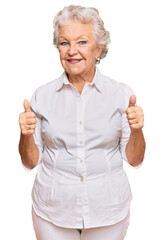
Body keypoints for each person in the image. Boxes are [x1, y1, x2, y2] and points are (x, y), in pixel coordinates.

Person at [19, 5, 145, 240]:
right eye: (64, 43)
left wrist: (137, 130)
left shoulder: (121, 94)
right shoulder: (42, 96)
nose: (71, 51)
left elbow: (135, 160)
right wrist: (25, 135)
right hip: (52, 211)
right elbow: (29, 162)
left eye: (82, 42)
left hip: (108, 212)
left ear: (99, 49)